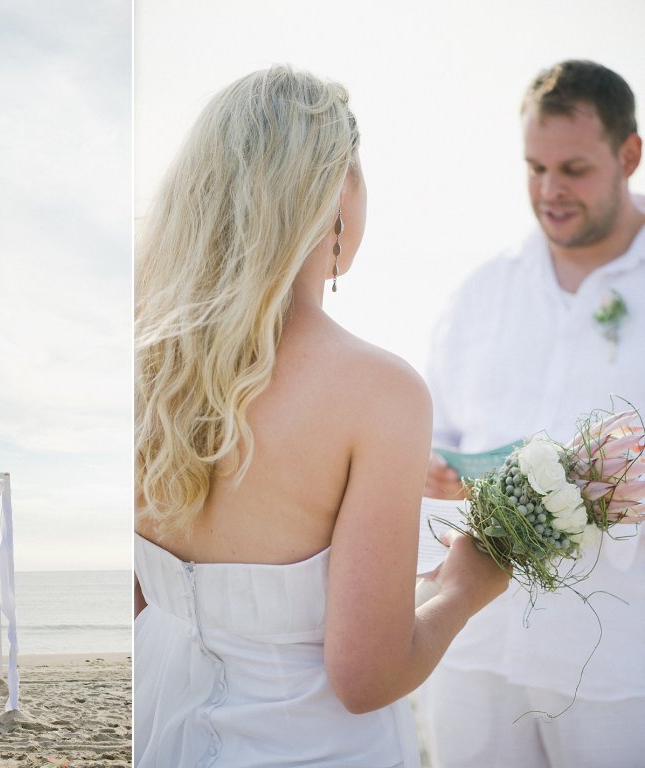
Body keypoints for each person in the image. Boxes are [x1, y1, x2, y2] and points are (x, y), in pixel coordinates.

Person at [133, 64, 510, 767]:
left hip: (162, 731)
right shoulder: (378, 391)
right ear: (338, 188)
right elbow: (367, 677)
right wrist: (463, 587)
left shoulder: (145, 369)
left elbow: (141, 604)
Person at [419, 59, 645, 768]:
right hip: (475, 649)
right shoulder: (479, 293)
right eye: (534, 167)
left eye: (574, 168)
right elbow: (435, 431)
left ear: (630, 155)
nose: (550, 191)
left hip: (618, 660)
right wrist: (432, 468)